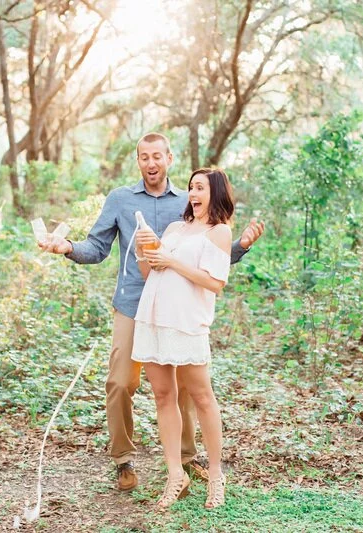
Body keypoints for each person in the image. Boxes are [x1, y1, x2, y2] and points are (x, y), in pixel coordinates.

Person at [38, 132, 264, 492]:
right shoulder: (121, 200)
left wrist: (241, 246)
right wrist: (67, 246)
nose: (151, 163)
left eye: (157, 156)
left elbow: (210, 257)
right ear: (138, 160)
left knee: (184, 389)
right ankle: (124, 459)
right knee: (121, 381)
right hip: (133, 304)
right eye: (144, 157)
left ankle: (188, 460)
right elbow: (97, 248)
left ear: (170, 158)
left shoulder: (188, 201)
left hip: (178, 306)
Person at [133, 168, 233, 509]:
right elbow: (151, 273)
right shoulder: (175, 228)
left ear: (215, 193)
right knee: (163, 395)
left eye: (201, 187)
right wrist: (144, 252)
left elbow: (215, 283)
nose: (193, 192)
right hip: (153, 318)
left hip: (187, 322)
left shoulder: (218, 232)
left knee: (202, 396)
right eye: (191, 187)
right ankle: (176, 474)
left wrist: (172, 260)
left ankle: (216, 475)